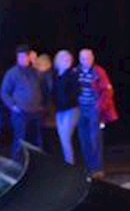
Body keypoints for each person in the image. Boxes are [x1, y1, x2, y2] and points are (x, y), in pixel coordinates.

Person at [74, 47, 116, 175]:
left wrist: (99, 106)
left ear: (92, 58)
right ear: (80, 59)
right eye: (83, 58)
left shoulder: (98, 71)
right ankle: (88, 167)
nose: (85, 60)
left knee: (95, 138)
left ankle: (97, 168)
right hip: (80, 109)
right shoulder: (76, 72)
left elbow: (107, 90)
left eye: (88, 58)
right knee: (83, 138)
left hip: (93, 108)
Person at [0, 44, 46, 158]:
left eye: (25, 56)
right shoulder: (12, 73)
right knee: (20, 139)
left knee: (37, 140)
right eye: (21, 57)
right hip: (21, 113)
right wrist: (13, 106)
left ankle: (38, 165)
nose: (23, 59)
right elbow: (4, 92)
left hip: (36, 112)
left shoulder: (35, 71)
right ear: (17, 57)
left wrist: (42, 105)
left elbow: (44, 86)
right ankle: (16, 165)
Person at [50, 50, 80, 165]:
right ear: (58, 61)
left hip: (71, 109)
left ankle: (69, 163)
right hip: (60, 110)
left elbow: (75, 92)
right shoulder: (57, 75)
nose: (66, 61)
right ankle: (67, 161)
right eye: (63, 59)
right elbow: (54, 93)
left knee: (65, 137)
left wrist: (67, 101)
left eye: (68, 59)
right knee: (62, 138)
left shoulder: (72, 74)